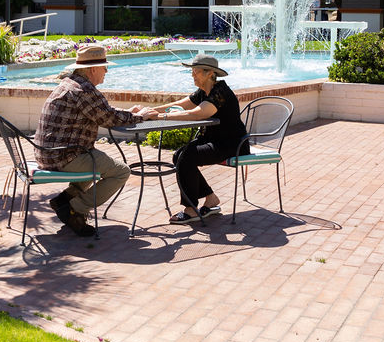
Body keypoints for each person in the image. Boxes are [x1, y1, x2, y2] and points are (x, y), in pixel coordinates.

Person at [34, 44, 157, 236]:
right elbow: (109, 119)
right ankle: (75, 209)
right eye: (104, 67)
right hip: (65, 156)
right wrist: (142, 116)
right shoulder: (83, 90)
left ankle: (64, 200)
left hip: (49, 154)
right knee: (121, 172)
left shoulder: (70, 84)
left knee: (97, 163)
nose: (106, 71)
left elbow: (102, 112)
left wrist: (128, 112)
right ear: (93, 69)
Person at [148, 54, 246, 224]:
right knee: (179, 155)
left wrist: (160, 117)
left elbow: (198, 113)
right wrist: (148, 110)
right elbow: (182, 105)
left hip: (231, 144)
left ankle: (191, 209)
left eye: (196, 71)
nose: (192, 74)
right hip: (214, 140)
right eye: (192, 70)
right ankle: (211, 199)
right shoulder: (204, 91)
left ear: (210, 74)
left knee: (187, 156)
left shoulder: (220, 92)